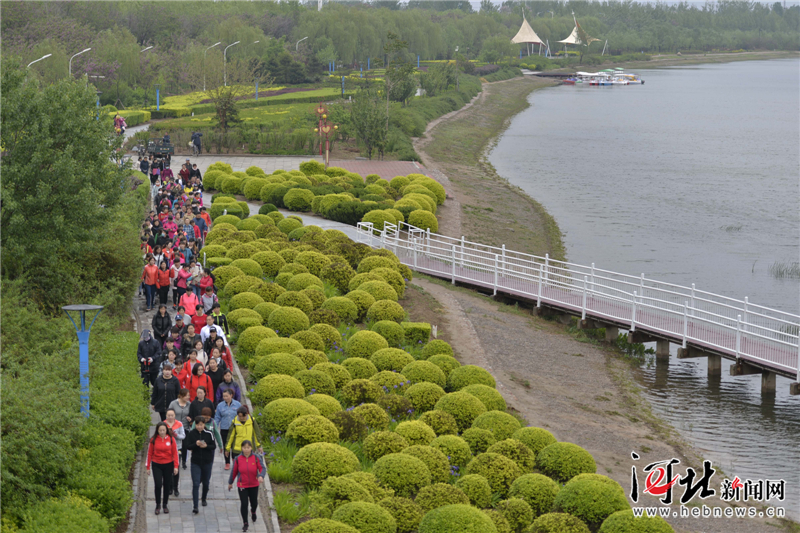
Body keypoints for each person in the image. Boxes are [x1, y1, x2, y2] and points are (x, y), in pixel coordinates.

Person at [228, 440, 265, 532]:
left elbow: (262, 468)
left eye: (248, 447)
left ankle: (253, 511)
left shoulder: (256, 458)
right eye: (244, 448)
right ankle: (245, 522)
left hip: (254, 484)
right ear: (241, 448)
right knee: (244, 504)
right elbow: (234, 471)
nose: (246, 450)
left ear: (251, 448)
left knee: (254, 503)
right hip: (242, 485)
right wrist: (230, 482)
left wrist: (261, 476)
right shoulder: (238, 459)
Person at [146, 422, 179, 515]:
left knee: (167, 485)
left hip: (168, 464)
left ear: (166, 430)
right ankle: (158, 505)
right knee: (158, 484)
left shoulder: (171, 439)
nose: (162, 432)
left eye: (163, 430)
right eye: (160, 430)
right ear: (157, 430)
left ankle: (165, 504)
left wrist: (176, 466)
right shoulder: (153, 440)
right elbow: (149, 453)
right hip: (156, 464)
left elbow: (175, 454)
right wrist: (147, 466)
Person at [185, 416, 216, 514]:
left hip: (207, 462)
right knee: (196, 483)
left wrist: (206, 446)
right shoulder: (191, 434)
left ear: (204, 425)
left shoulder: (209, 433)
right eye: (198, 425)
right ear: (195, 425)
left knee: (206, 482)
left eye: (201, 425)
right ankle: (195, 506)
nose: (199, 427)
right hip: (195, 462)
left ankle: (203, 498)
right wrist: (196, 444)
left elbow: (213, 446)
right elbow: (188, 446)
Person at [215, 388, 241, 467]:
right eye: (224, 396)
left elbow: (240, 416)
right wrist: (215, 427)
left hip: (235, 429)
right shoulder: (220, 405)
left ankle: (234, 460)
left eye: (227, 396)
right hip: (224, 428)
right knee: (226, 445)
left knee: (234, 445)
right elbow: (217, 417)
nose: (225, 398)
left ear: (231, 395)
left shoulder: (237, 404)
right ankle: (227, 462)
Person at [168, 389, 192, 470]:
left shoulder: (189, 404)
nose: (188, 397)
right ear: (181, 396)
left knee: (185, 445)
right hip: (175, 428)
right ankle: (175, 460)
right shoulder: (173, 403)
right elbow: (169, 414)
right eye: (186, 396)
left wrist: (190, 419)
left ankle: (184, 461)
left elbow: (191, 414)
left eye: (189, 395)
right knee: (176, 445)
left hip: (185, 427)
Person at [164, 408, 185, 496]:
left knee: (176, 468)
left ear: (175, 415)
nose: (170, 417)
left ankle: (176, 487)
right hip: (166, 449)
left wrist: (175, 435)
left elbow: (183, 436)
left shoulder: (179, 424)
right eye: (169, 415)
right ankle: (170, 487)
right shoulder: (163, 424)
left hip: (177, 448)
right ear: (166, 416)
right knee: (168, 469)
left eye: (172, 415)